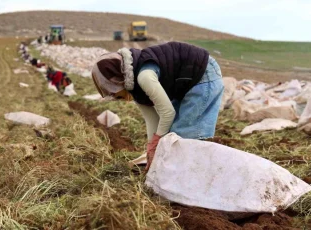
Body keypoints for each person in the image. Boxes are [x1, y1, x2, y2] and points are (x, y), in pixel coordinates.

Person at [91, 41, 224, 171]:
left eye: (117, 94)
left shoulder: (144, 77)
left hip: (204, 74)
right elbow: (152, 120)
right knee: (172, 134)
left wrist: (156, 142)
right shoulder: (134, 87)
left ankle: (195, 175)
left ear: (118, 80)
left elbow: (168, 113)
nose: (119, 98)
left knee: (183, 135)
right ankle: (179, 173)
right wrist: (151, 149)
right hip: (185, 84)